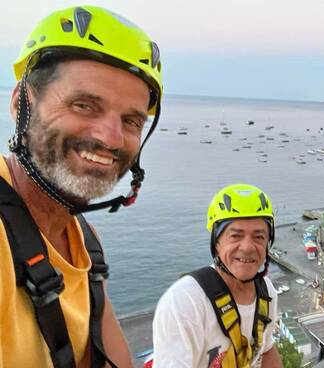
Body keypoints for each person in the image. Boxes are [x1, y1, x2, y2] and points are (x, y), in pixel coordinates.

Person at [0, 5, 163, 368]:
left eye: (131, 120)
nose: (111, 137)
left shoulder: (85, 241)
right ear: (20, 102)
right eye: (84, 105)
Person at [152, 184, 283, 368]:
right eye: (235, 236)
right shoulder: (185, 301)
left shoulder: (266, 291)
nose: (247, 247)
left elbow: (267, 349)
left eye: (259, 237)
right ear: (217, 242)